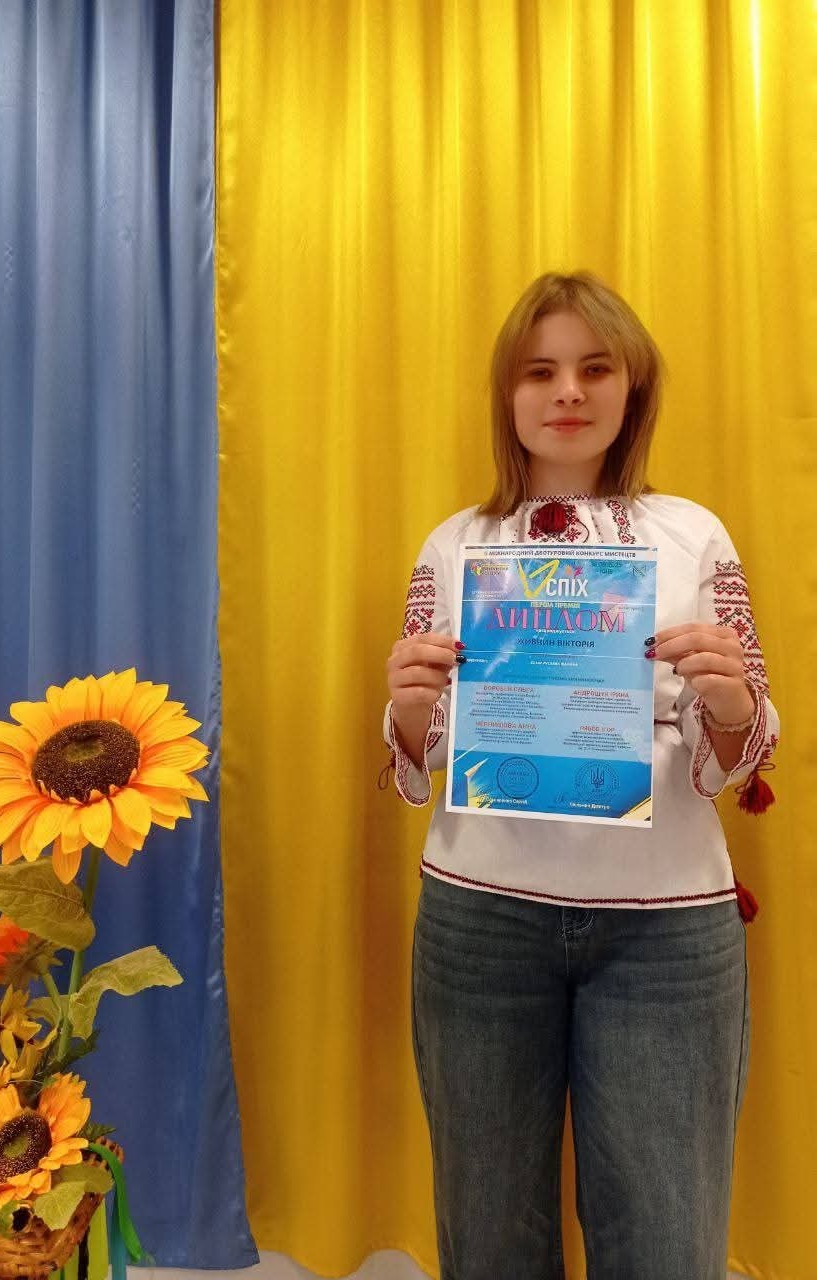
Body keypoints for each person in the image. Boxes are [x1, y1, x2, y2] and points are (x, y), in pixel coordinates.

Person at [382, 272, 779, 1280]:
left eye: (594, 368)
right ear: (506, 394)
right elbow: (421, 758)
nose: (567, 390)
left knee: (666, 1241)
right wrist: (412, 708)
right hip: (480, 923)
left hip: (666, 934)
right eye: (540, 370)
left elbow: (739, 757)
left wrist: (732, 702)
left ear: (631, 387)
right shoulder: (456, 545)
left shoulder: (694, 534)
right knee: (487, 1234)